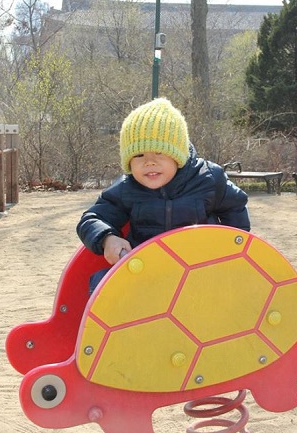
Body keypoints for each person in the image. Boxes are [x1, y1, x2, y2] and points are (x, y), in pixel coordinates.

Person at [76, 97, 251, 294]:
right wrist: (108, 238)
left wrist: (233, 248)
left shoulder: (208, 178)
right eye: (139, 155)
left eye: (159, 152)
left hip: (199, 270)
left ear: (177, 154)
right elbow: (92, 219)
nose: (149, 162)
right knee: (102, 284)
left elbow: (235, 206)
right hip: (148, 274)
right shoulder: (127, 188)